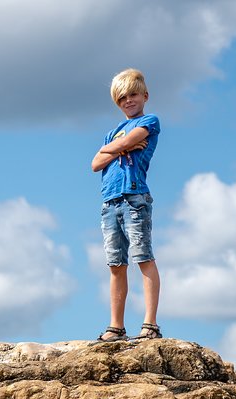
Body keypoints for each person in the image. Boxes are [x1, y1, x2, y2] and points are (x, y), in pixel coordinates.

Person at [91, 68, 162, 342]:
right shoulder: (113, 133)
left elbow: (130, 141)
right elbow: (95, 163)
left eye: (133, 95)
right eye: (122, 98)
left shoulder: (150, 121)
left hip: (134, 197)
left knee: (143, 257)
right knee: (115, 265)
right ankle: (116, 326)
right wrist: (121, 146)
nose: (128, 101)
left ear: (144, 95)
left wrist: (119, 146)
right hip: (110, 201)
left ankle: (150, 324)